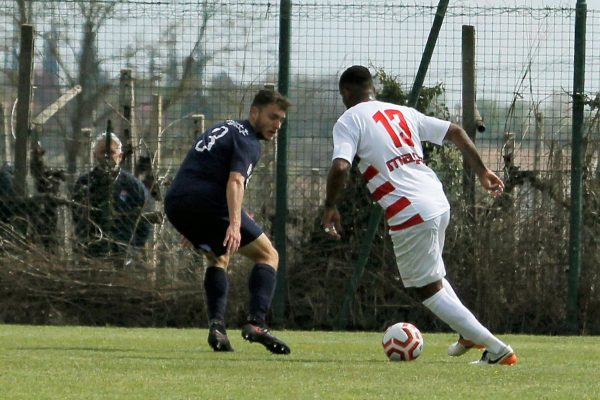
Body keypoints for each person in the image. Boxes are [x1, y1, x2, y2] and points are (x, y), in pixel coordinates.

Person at [322, 65, 517, 366]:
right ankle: (467, 333)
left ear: (346, 92)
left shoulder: (349, 120)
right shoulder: (403, 112)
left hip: (408, 209)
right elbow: (455, 131)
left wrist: (330, 206)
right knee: (435, 277)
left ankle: (496, 348)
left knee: (424, 288)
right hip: (437, 200)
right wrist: (482, 171)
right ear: (372, 88)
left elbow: (340, 167)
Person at [164, 89, 291, 354]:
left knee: (218, 257)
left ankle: (218, 328)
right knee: (268, 255)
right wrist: (234, 224)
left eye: (281, 120)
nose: (277, 125)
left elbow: (198, 168)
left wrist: (191, 222)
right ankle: (256, 323)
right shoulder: (248, 141)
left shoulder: (224, 128)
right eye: (273, 117)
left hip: (177, 202)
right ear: (254, 112)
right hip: (209, 202)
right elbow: (235, 181)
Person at [71, 132, 151, 261]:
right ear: (94, 155)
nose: (107, 157)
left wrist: (132, 249)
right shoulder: (85, 183)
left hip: (123, 251)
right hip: (91, 250)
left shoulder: (133, 186)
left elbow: (145, 221)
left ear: (120, 156)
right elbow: (76, 216)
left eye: (111, 152)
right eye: (103, 152)